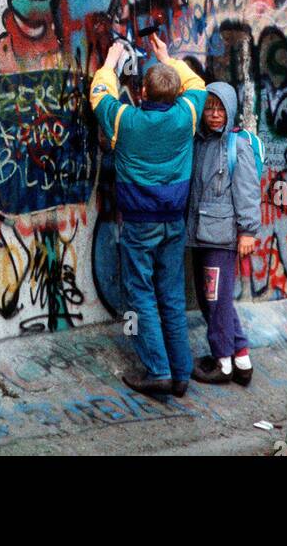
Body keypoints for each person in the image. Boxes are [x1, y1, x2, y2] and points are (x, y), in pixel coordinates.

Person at [89, 35, 207, 398]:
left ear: (141, 93)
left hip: (139, 223)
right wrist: (168, 59)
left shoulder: (126, 120)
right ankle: (181, 371)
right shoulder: (186, 115)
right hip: (174, 221)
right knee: (171, 294)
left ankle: (157, 369)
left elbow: (99, 95)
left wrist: (109, 63)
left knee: (140, 294)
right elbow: (197, 85)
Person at [187, 82, 261, 386]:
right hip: (201, 234)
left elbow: (247, 191)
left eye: (220, 109)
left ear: (230, 110)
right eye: (209, 108)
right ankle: (241, 359)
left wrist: (248, 231)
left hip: (222, 238)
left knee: (215, 300)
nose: (214, 115)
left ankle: (223, 364)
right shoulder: (201, 142)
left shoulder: (236, 146)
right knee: (214, 301)